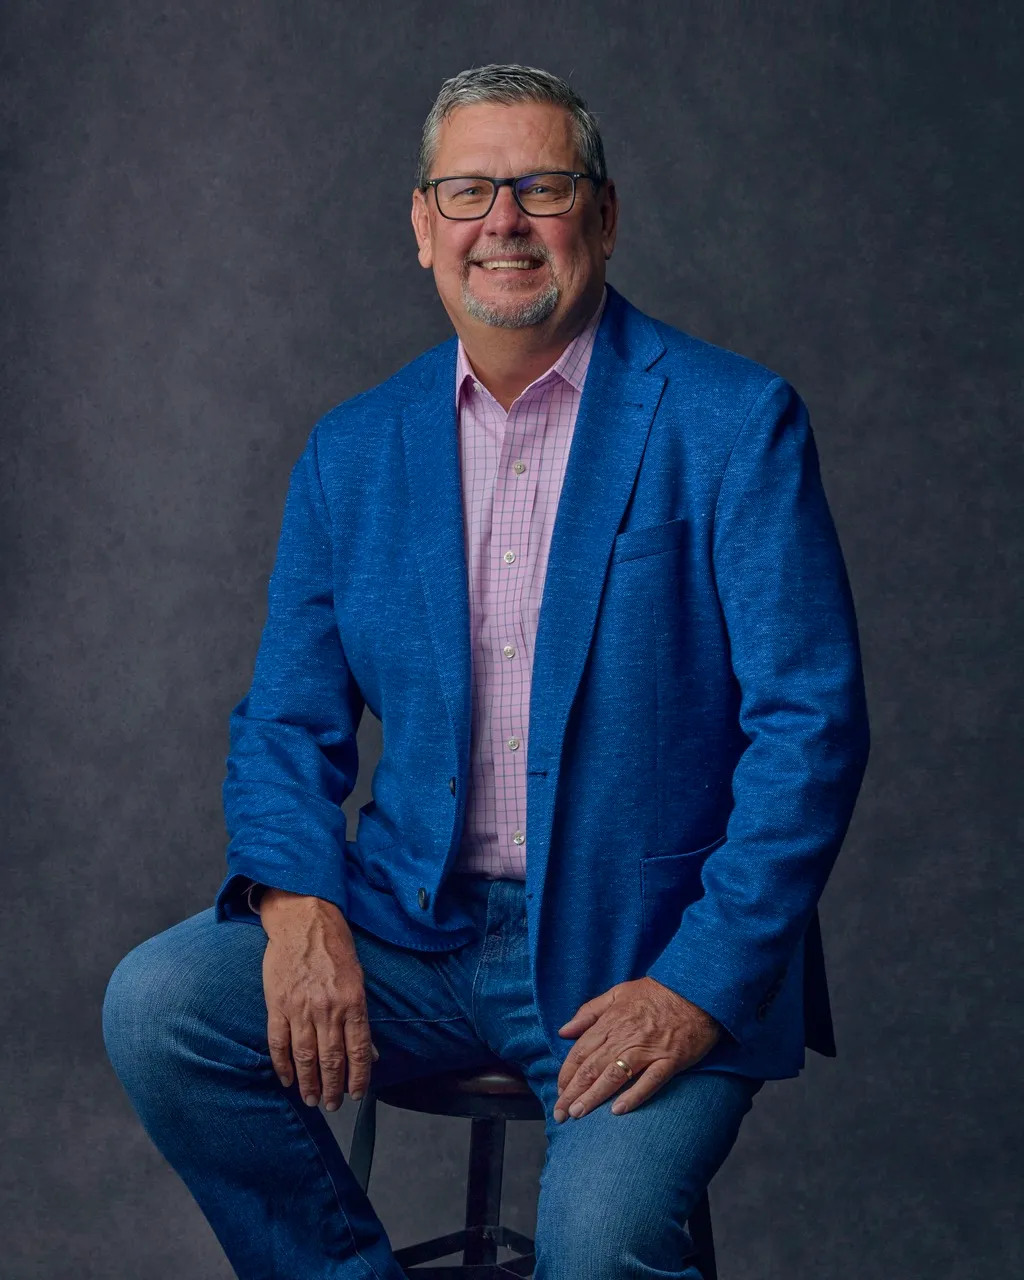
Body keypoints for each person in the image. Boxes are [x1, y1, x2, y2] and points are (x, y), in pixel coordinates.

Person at [102, 63, 870, 1280]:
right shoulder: (353, 449)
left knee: (600, 1247)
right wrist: (298, 905)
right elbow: (287, 722)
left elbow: (809, 731)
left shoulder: (732, 421)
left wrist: (695, 984)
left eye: (541, 187)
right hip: (411, 933)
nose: (502, 222)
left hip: (640, 948)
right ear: (423, 227)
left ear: (601, 217)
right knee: (161, 1007)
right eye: (467, 191)